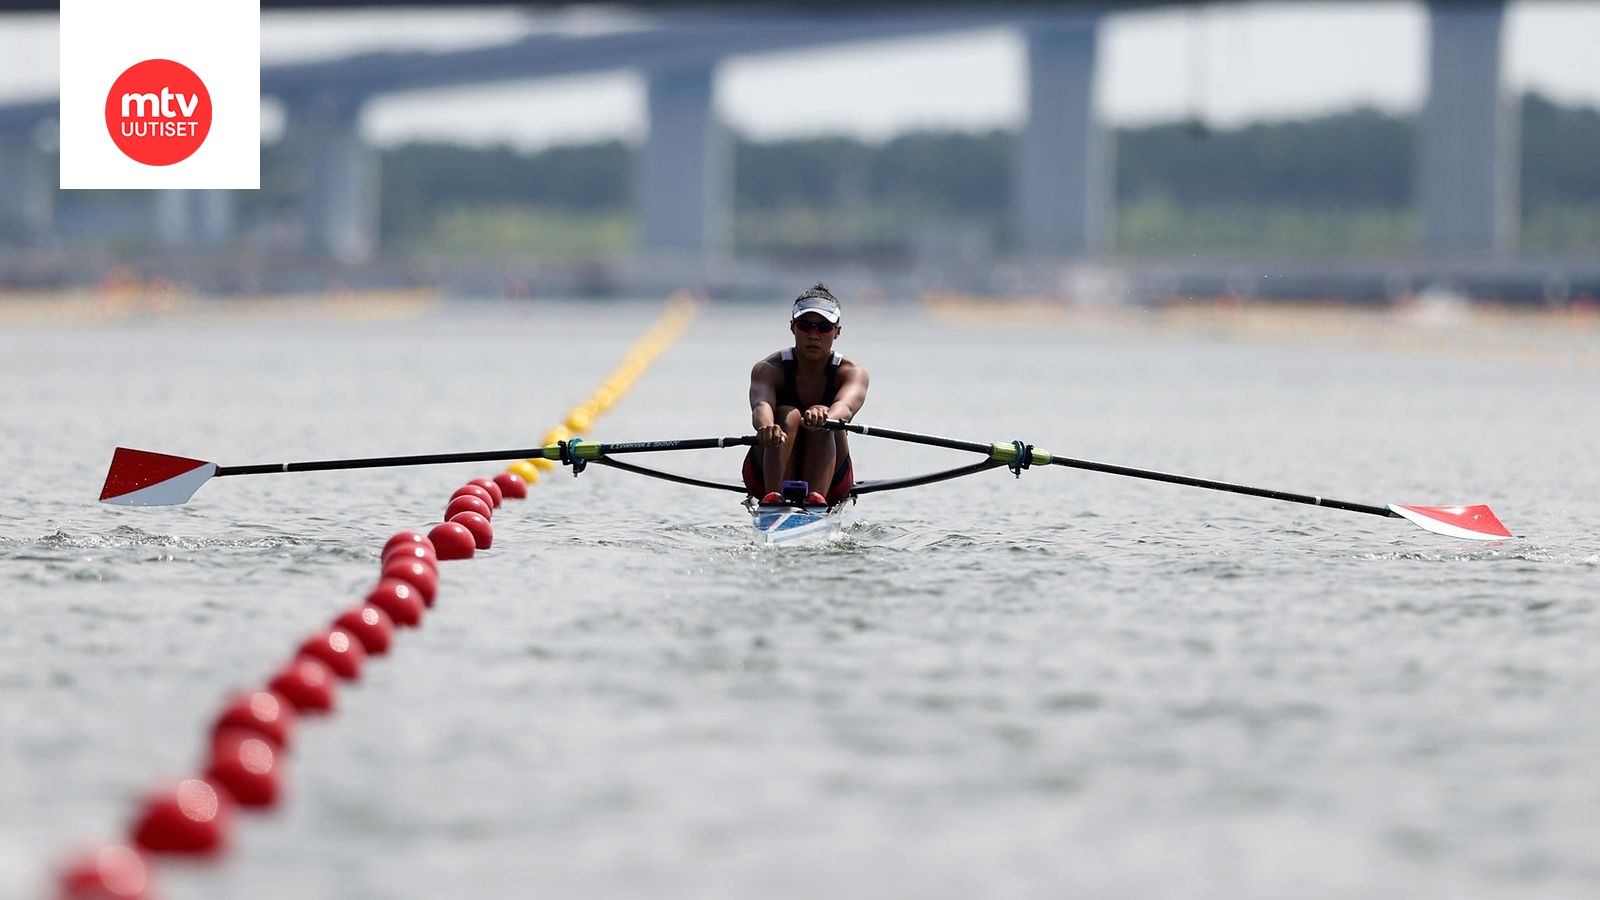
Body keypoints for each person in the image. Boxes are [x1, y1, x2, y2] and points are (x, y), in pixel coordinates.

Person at [744, 283, 869, 506]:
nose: (813, 334)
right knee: (787, 414)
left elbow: (846, 408)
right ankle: (773, 502)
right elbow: (760, 405)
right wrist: (766, 427)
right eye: (805, 326)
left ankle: (816, 501)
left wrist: (828, 416)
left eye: (823, 327)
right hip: (764, 472)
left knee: (824, 417)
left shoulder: (851, 372)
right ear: (793, 327)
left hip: (833, 480)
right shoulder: (768, 369)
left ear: (837, 331)